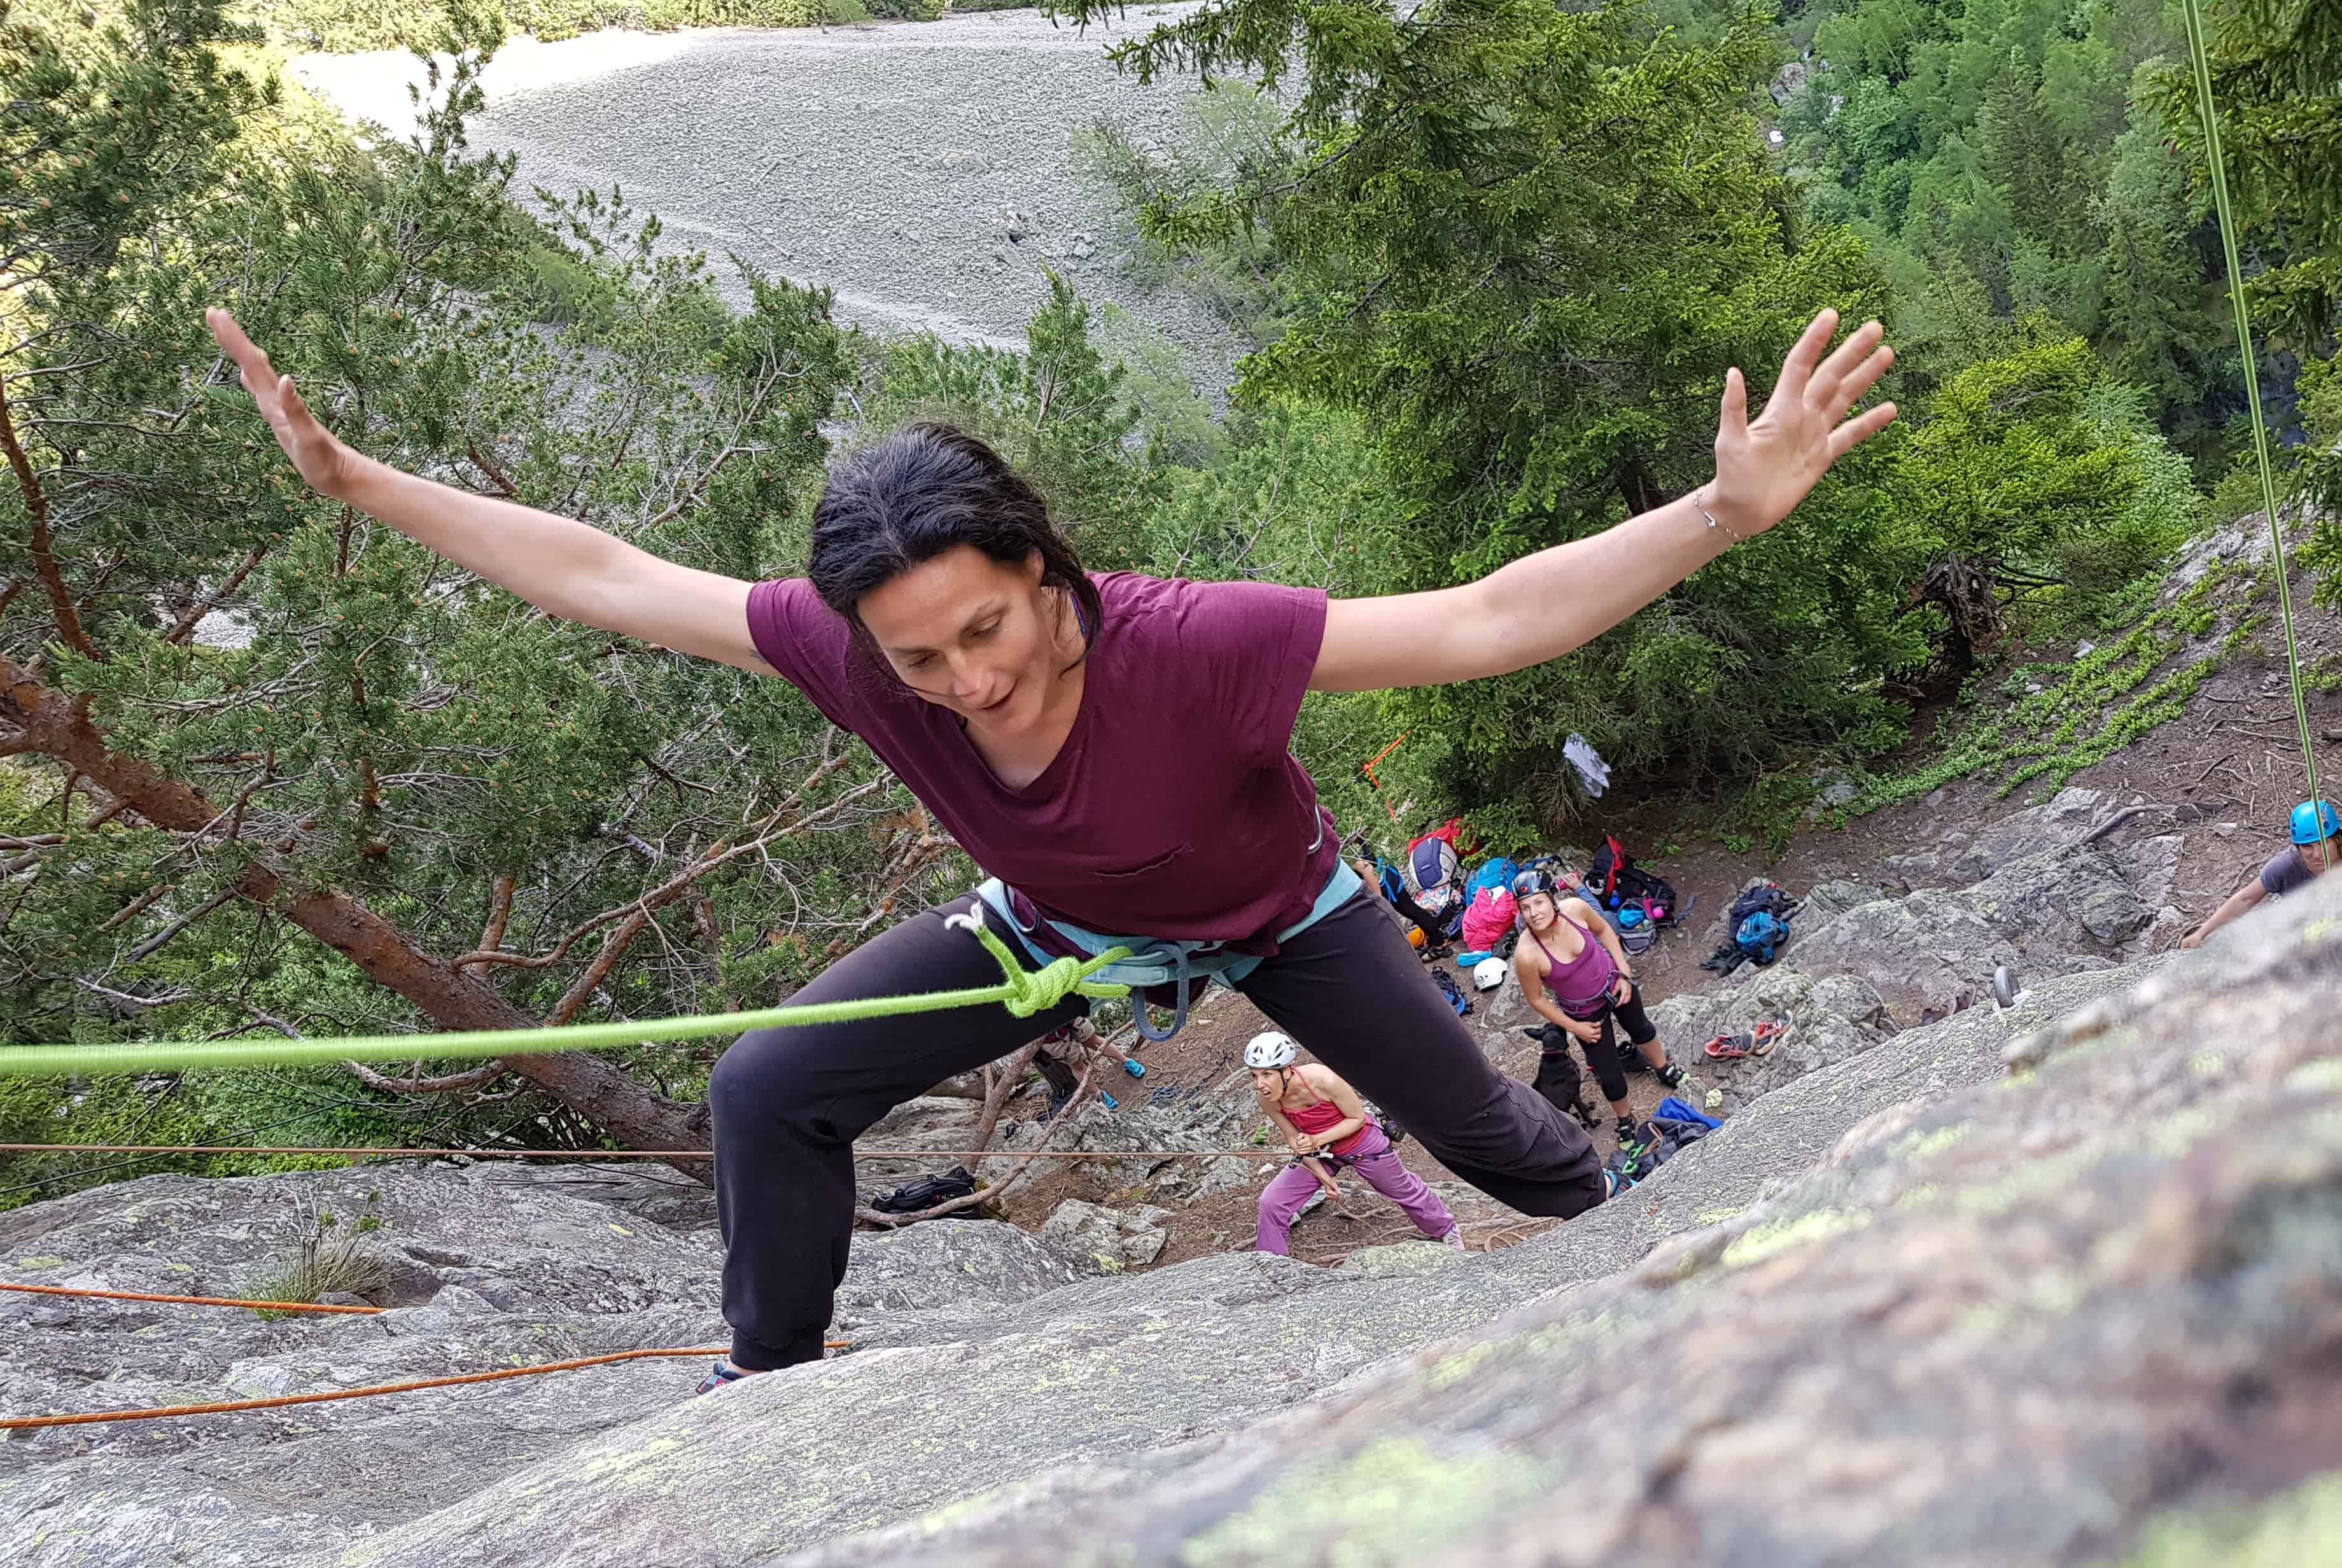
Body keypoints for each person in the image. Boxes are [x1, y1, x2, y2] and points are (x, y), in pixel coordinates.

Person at [203, 304, 1896, 1389]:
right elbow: (611, 578)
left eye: (990, 629)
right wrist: (367, 486)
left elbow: (1479, 620)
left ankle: (1689, 1285)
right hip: (1062, 928)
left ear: (1043, 564)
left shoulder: (1192, 644)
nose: (968, 678)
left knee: (1499, 1143)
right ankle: (767, 1389)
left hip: (1282, 918)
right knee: (766, 1090)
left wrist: (1717, 518)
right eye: (921, 660)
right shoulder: (857, 654)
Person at [1509, 869, 1685, 1145]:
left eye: (1539, 902)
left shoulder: (1575, 910)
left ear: (1551, 898)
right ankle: (1625, 1120)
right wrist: (1575, 1027)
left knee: (1641, 1029)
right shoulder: (1527, 955)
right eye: (1526, 907)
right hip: (1584, 1013)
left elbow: (1603, 929)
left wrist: (1625, 973)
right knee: (1609, 1073)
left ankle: (1663, 1068)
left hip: (1615, 984)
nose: (1534, 913)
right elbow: (1537, 999)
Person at [1245, 1032, 1459, 1254]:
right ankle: (1273, 1262)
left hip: (1362, 1144)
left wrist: (1317, 1139)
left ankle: (1446, 1229)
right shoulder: (1267, 1100)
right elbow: (1294, 1139)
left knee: (1404, 1190)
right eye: (1254, 1076)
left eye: (1267, 1075)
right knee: (1272, 1201)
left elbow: (1356, 1118)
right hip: (1321, 1153)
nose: (1260, 1084)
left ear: (1287, 1071)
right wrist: (1324, 1178)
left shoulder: (1324, 1080)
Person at [2181, 800, 2342, 948]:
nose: (2317, 854)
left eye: (2323, 843)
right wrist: (2200, 934)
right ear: (2297, 848)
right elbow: (2245, 899)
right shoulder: (2286, 866)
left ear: (2337, 839)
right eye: (2307, 847)